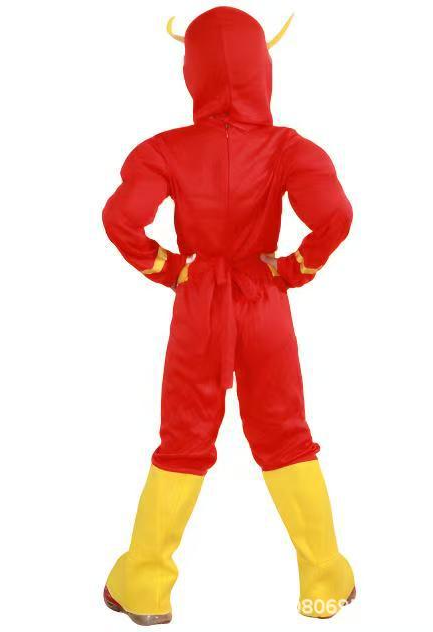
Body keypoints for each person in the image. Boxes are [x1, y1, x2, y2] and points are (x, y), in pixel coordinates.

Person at [101, 7, 355, 625]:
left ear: (192, 73)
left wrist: (170, 269)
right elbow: (336, 215)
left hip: (199, 304)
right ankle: (324, 585)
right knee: (287, 437)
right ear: (262, 69)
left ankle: (145, 587)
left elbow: (120, 219)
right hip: (265, 302)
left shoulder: (163, 149)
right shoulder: (290, 147)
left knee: (183, 440)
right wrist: (293, 269)